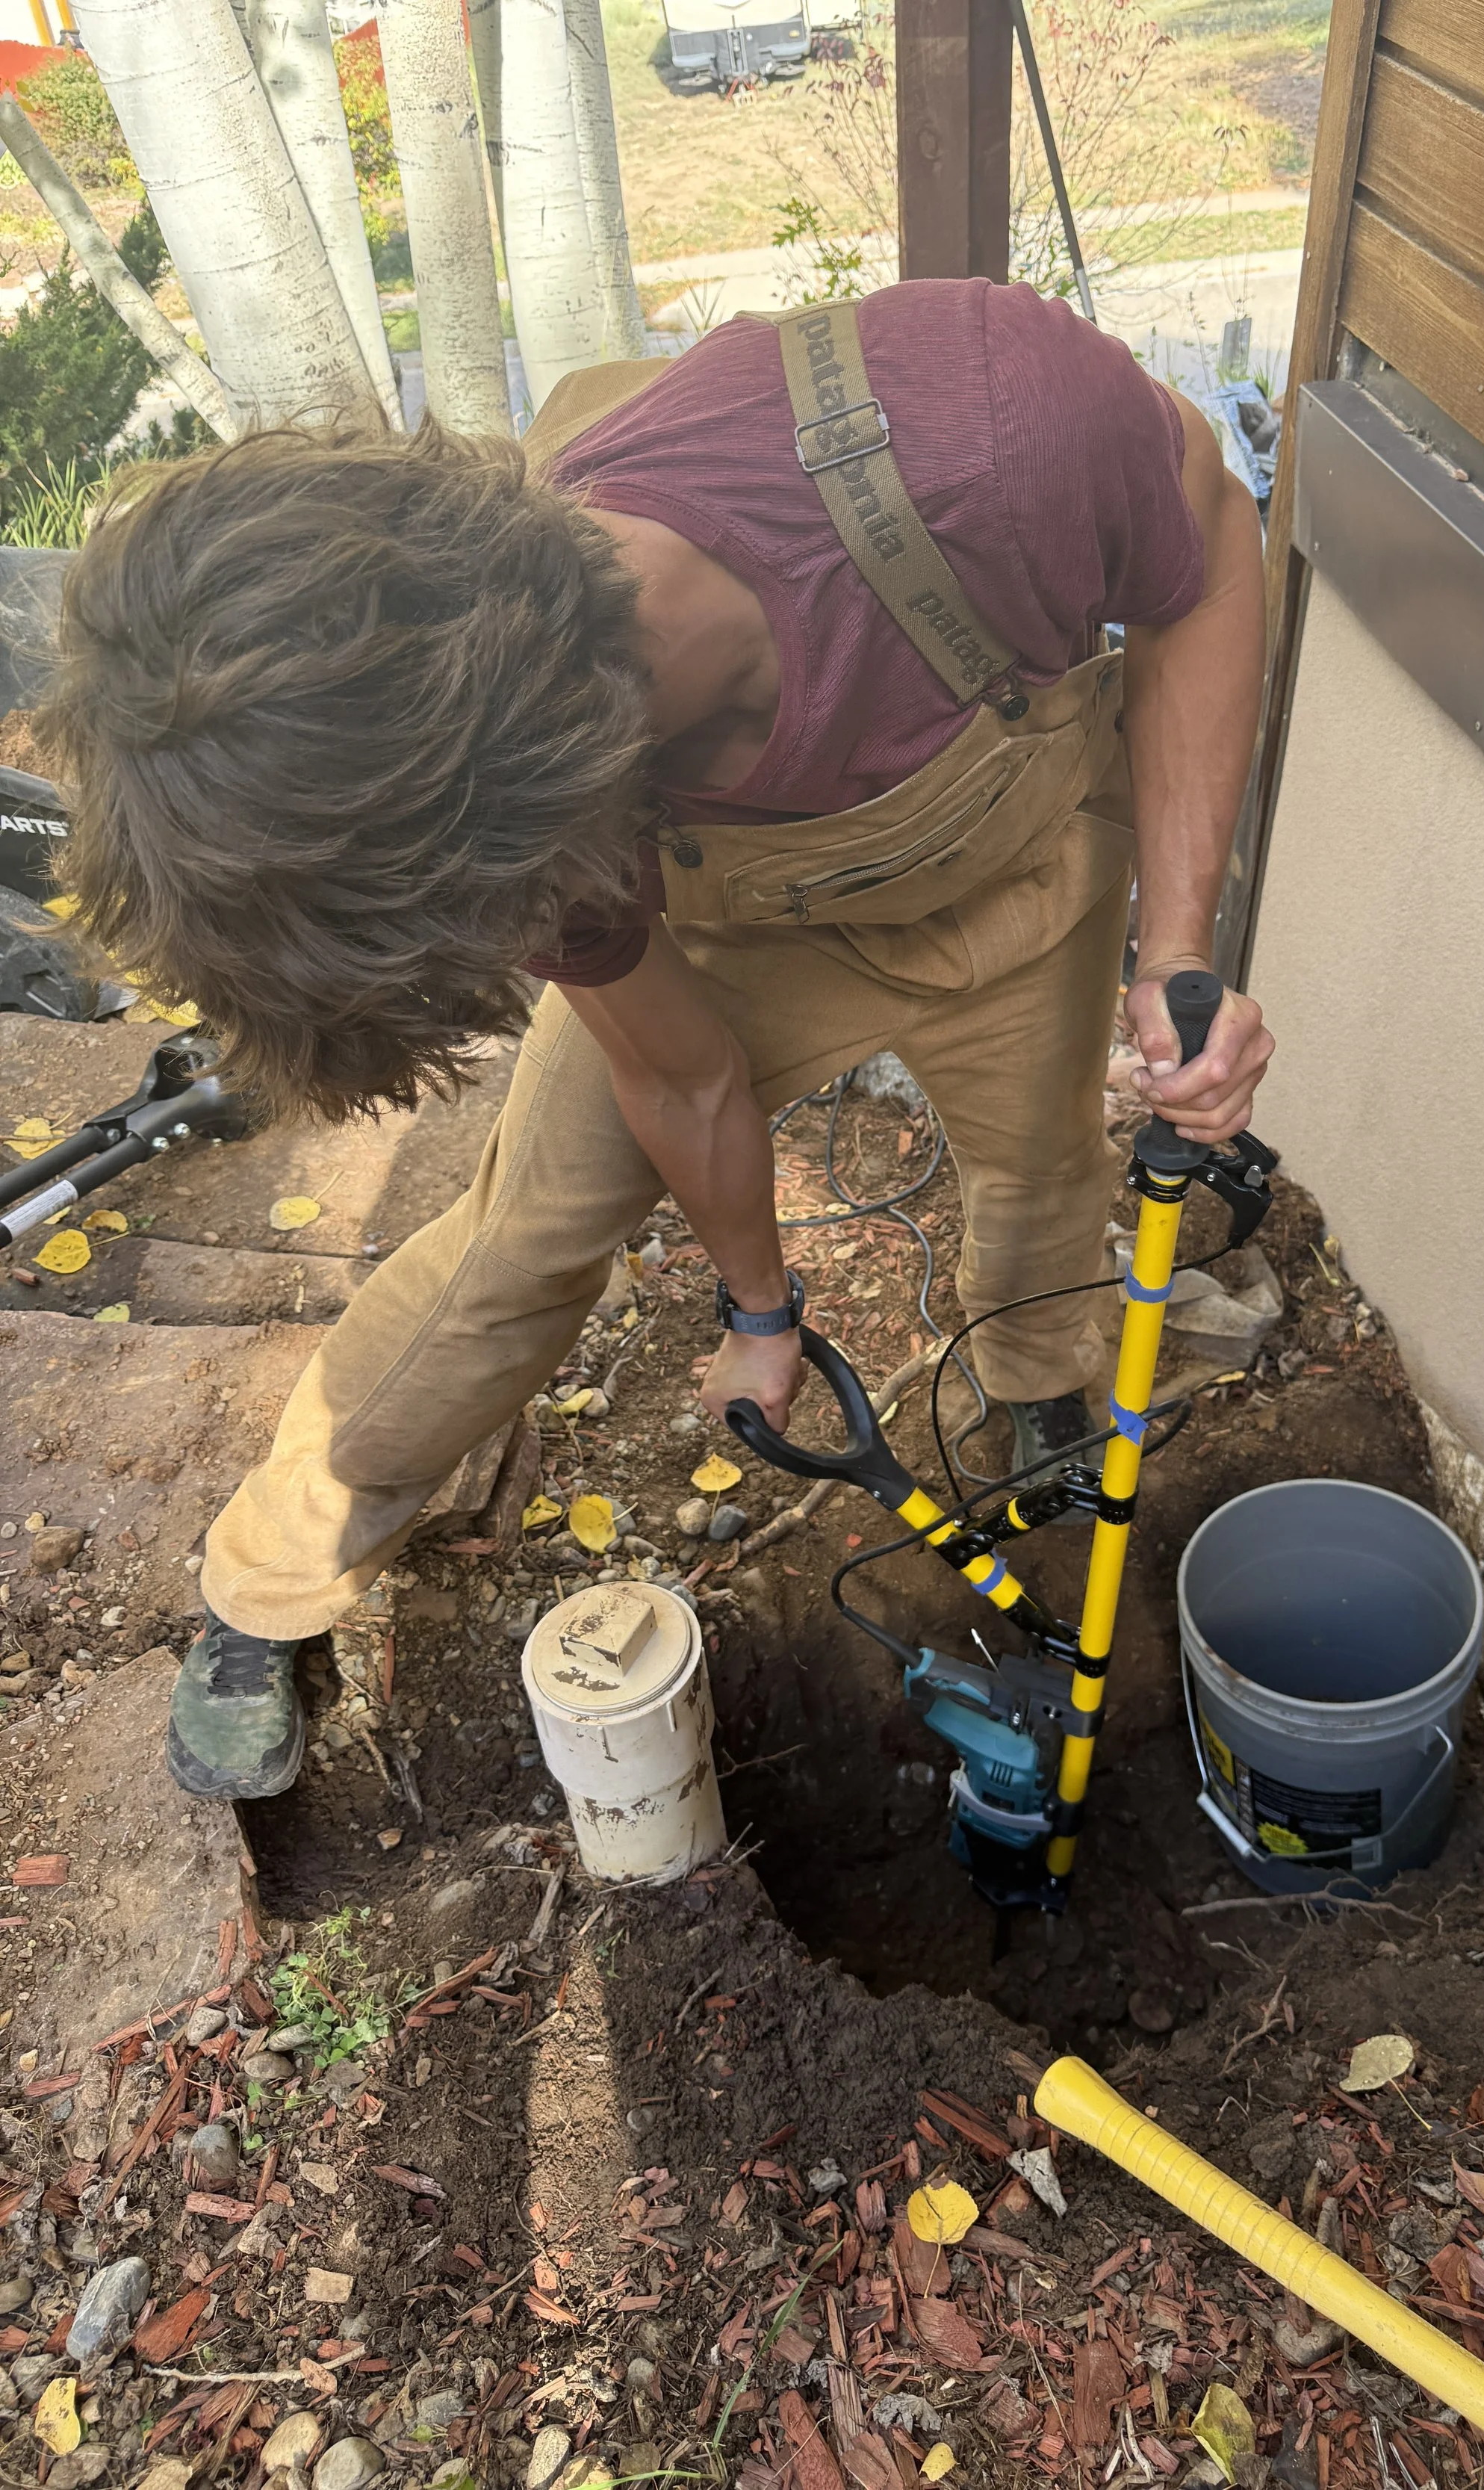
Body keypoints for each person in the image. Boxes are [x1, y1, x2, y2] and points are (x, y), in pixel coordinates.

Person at [44, 277, 1274, 1803]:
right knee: (520, 1243)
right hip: (727, 920)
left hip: (1019, 878)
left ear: (526, 776)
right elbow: (681, 1069)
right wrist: (759, 1309)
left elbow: (1207, 553)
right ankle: (270, 1576)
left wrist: (1177, 946)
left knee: (1040, 1185)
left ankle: (1036, 1415)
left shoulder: (994, 433)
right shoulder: (494, 806)